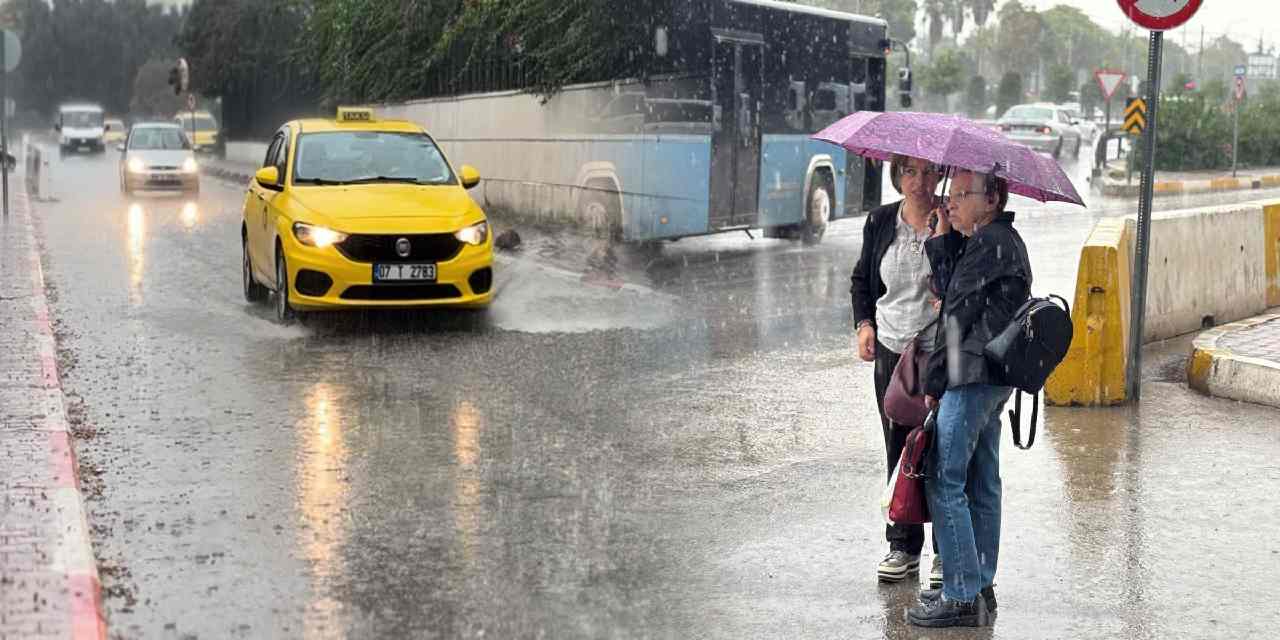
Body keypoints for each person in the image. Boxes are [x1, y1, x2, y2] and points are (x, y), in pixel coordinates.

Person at [906, 168, 1032, 628]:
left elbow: (954, 319)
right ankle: (979, 585)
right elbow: (956, 292)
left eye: (962, 195)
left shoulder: (988, 244)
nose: (952, 203)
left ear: (992, 198)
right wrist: (944, 240)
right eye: (951, 194)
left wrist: (934, 385)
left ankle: (960, 594)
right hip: (992, 377)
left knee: (945, 478)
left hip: (971, 376)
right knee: (981, 481)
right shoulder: (1000, 242)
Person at [849, 155, 944, 584]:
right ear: (897, 175)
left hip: (938, 351)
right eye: (910, 171)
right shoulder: (881, 221)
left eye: (927, 171)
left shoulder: (951, 219)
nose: (919, 181)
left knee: (943, 450)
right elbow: (862, 280)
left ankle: (947, 550)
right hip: (890, 348)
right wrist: (864, 324)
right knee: (899, 448)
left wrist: (942, 240)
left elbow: (956, 281)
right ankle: (902, 545)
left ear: (939, 174)